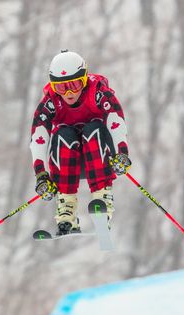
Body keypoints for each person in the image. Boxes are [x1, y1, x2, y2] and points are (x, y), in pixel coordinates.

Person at [30, 50, 131, 235]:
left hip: (99, 157)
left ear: (84, 80)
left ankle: (102, 199)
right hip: (67, 163)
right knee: (63, 133)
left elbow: (116, 122)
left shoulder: (98, 92)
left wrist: (122, 153)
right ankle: (67, 212)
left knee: (93, 128)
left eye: (74, 85)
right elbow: (39, 137)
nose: (68, 93)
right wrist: (41, 175)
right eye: (61, 88)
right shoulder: (50, 102)